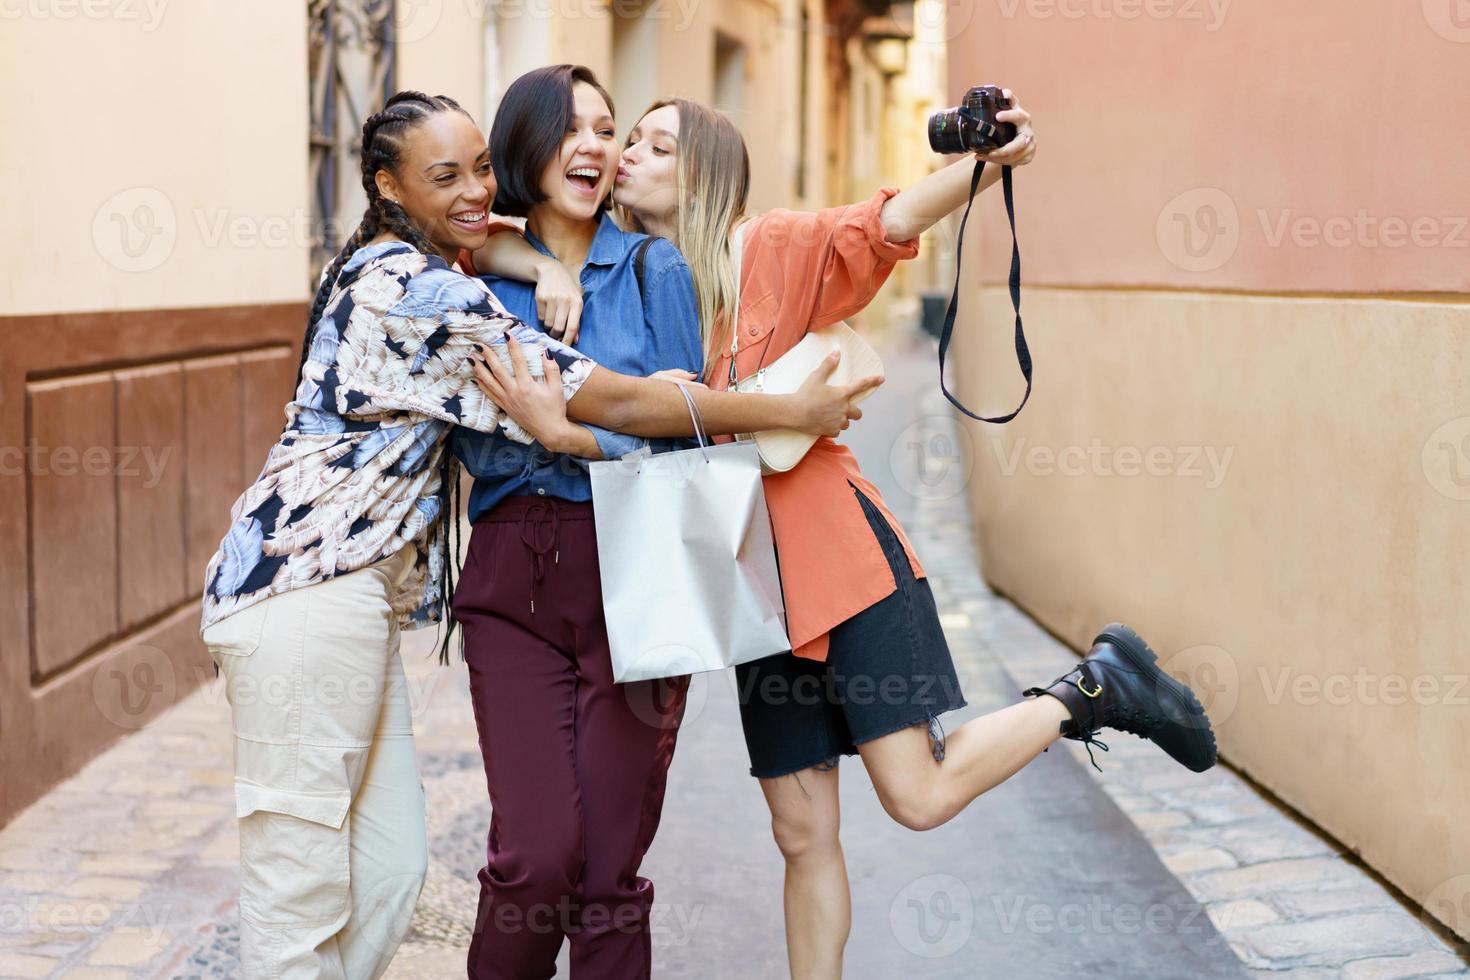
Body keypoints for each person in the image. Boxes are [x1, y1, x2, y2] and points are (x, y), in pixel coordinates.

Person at [487, 92, 1220, 979]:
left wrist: (986, 167)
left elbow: (884, 222)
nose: (625, 155)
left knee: (918, 793)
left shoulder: (770, 248)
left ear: (705, 170)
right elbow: (494, 235)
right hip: (756, 597)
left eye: (652, 144)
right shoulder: (638, 283)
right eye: (623, 141)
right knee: (801, 834)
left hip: (841, 561)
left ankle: (1093, 690)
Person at [198, 88, 875, 980]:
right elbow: (624, 397)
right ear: (389, 187)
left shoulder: (576, 265)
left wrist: (544, 274)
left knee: (402, 872)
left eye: (481, 169)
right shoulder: (431, 290)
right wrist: (785, 410)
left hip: (441, 588)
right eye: (447, 174)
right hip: (317, 590)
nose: (476, 189)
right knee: (344, 883)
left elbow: (676, 429)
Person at [451, 64, 705, 980]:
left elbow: (693, 441)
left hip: (632, 577)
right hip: (510, 578)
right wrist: (543, 263)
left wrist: (569, 433)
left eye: (608, 129)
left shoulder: (654, 269)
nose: (595, 145)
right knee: (536, 862)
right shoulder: (467, 274)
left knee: (607, 872)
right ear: (526, 143)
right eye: (572, 128)